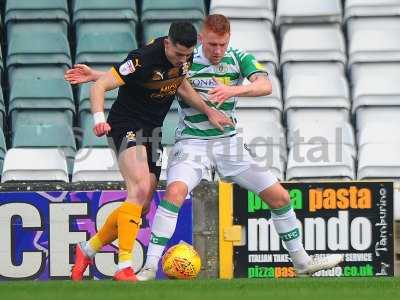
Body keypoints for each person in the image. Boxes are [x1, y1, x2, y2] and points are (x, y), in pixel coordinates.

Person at [66, 15, 344, 281]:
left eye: (222, 44)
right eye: (212, 44)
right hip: (191, 142)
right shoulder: (186, 56)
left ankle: (302, 262)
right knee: (170, 193)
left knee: (280, 197)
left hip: (228, 143)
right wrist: (98, 79)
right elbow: (146, 72)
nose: (217, 50)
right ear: (202, 38)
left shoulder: (238, 58)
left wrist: (233, 90)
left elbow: (265, 85)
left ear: (229, 39)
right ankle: (147, 268)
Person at [67, 21, 233, 282]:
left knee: (142, 206)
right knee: (141, 189)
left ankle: (87, 250)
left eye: (187, 56)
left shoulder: (183, 59)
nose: (182, 60)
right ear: (167, 43)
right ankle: (124, 266)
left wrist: (208, 110)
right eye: (178, 54)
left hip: (153, 132)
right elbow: (99, 87)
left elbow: (179, 84)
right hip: (126, 125)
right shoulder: (142, 59)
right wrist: (99, 118)